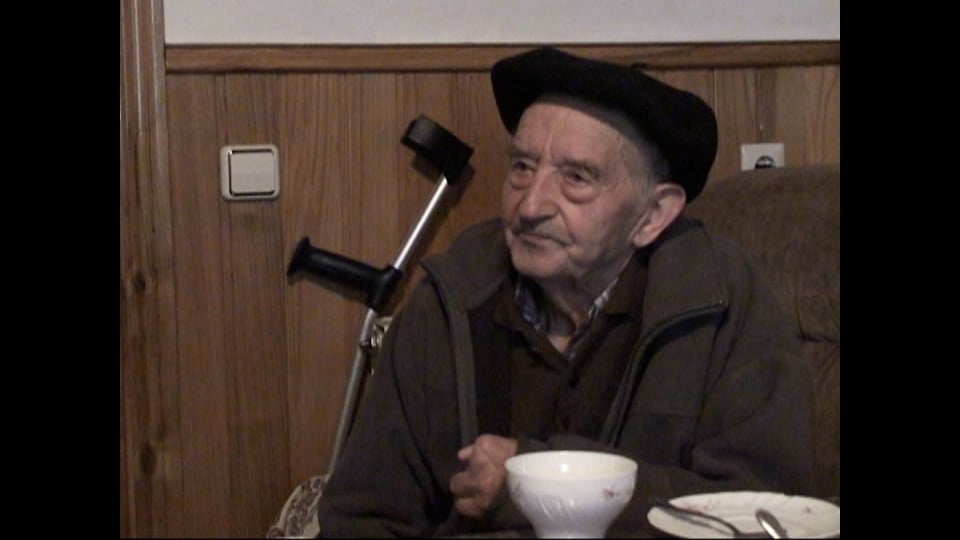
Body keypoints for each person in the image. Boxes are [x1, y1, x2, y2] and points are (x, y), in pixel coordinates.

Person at [312, 46, 814, 537]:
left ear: (653, 215)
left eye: (576, 177)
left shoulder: (720, 302)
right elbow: (362, 516)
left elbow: (766, 515)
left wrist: (538, 486)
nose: (530, 206)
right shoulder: (451, 298)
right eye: (522, 167)